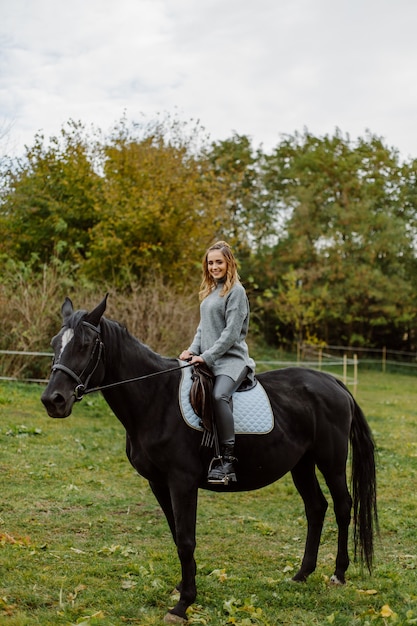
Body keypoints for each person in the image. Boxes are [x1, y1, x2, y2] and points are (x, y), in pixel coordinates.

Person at [180, 240, 255, 484]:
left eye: (219, 262)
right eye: (210, 263)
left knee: (219, 396)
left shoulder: (237, 292)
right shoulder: (211, 293)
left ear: (229, 263)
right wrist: (192, 350)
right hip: (208, 360)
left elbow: (231, 334)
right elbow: (203, 328)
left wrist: (207, 356)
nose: (214, 267)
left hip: (232, 361)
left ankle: (228, 461)